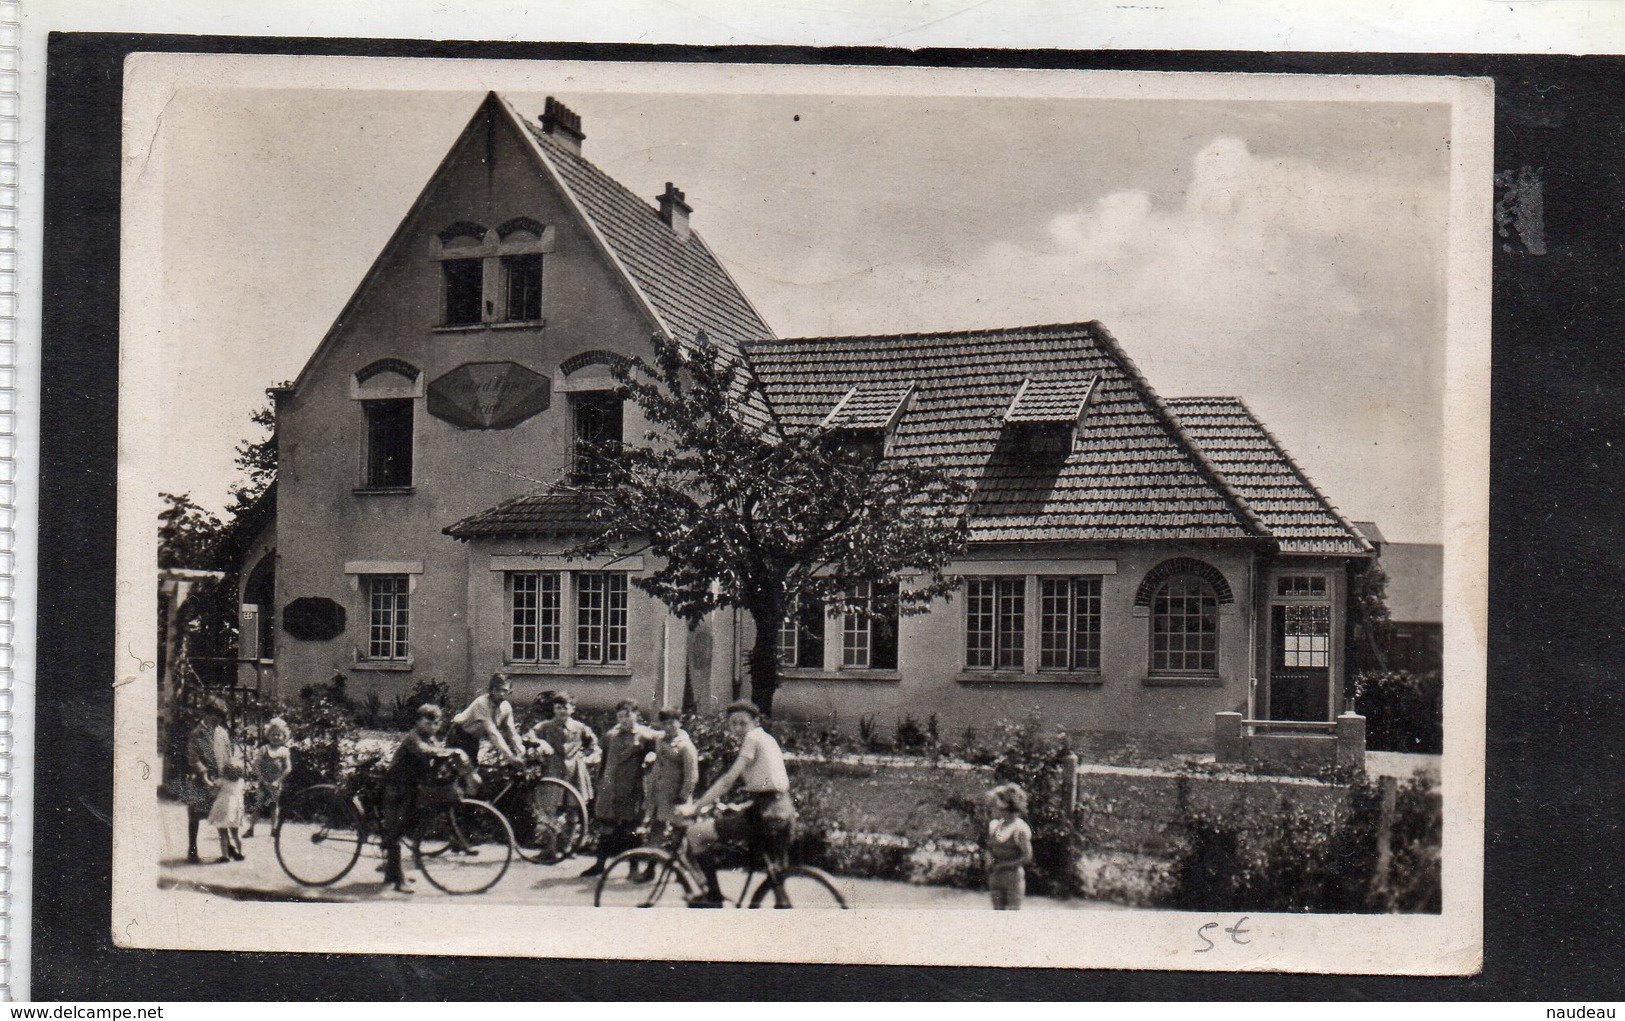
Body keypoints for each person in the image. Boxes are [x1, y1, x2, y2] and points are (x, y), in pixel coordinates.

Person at [678, 700, 795, 907]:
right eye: (733, 724)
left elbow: (727, 780)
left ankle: (713, 896)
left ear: (755, 722)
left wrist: (696, 807)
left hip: (765, 812)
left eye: (743, 723)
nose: (738, 728)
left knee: (696, 834)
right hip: (781, 808)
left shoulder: (752, 738)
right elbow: (770, 784)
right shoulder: (767, 739)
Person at [378, 704, 459, 894]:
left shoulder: (430, 737)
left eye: (437, 722)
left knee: (404, 825)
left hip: (411, 787)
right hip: (396, 787)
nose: (433, 726)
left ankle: (391, 873)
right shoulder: (413, 738)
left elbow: (436, 752)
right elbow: (424, 750)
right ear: (417, 722)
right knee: (397, 829)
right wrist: (447, 752)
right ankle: (399, 881)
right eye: (428, 721)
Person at [581, 699, 659, 878]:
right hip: (610, 789)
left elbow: (660, 748)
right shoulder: (610, 736)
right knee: (607, 827)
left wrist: (651, 755)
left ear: (636, 715)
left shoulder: (646, 736)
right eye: (620, 716)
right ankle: (600, 864)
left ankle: (634, 869)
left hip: (632, 789)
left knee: (631, 829)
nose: (624, 720)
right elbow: (603, 760)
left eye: (628, 715)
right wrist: (600, 784)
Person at [176, 697, 232, 864]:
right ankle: (192, 849)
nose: (216, 722)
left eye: (219, 719)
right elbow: (193, 758)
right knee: (195, 814)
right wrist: (203, 773)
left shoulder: (222, 733)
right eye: (213, 718)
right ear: (205, 714)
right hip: (201, 779)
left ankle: (226, 849)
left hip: (220, 779)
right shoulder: (197, 733)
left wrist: (229, 770)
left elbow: (228, 753)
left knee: (223, 813)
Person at [645, 708, 700, 849]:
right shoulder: (660, 739)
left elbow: (692, 775)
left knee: (678, 831)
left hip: (676, 794)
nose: (668, 727)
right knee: (657, 828)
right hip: (659, 793)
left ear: (679, 723)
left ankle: (679, 864)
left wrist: (683, 796)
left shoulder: (686, 746)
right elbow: (648, 733)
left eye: (671, 723)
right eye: (664, 724)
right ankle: (652, 863)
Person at [449, 673, 526, 770]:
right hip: (459, 736)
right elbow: (493, 734)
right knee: (459, 772)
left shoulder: (506, 707)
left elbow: (511, 732)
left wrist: (520, 749)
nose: (501, 694)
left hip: (473, 739)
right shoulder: (482, 703)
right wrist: (510, 757)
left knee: (473, 769)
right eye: (498, 690)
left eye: (505, 690)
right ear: (491, 690)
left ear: (510, 691)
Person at [205, 708, 248, 863]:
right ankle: (239, 852)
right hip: (235, 807)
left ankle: (225, 854)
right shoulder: (240, 782)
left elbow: (227, 753)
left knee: (222, 831)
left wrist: (212, 782)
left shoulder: (222, 733)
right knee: (235, 833)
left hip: (222, 804)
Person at [984, 782, 1034, 911]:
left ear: (1005, 808)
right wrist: (989, 858)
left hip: (1013, 878)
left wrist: (1004, 865)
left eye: (996, 806)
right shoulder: (994, 826)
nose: (993, 809)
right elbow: (989, 847)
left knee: (1012, 918)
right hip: (996, 877)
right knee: (997, 917)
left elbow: (1027, 856)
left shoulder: (1019, 829)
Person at [243, 716, 292, 839]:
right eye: (273, 734)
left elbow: (288, 768)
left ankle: (274, 829)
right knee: (258, 806)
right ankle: (251, 829)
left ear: (283, 736)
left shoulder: (284, 751)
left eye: (278, 735)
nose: (275, 737)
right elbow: (256, 765)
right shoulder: (264, 749)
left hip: (275, 784)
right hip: (263, 783)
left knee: (273, 806)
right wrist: (261, 779)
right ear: (268, 735)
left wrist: (278, 781)